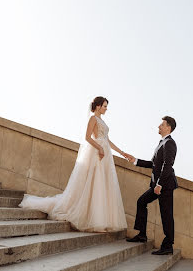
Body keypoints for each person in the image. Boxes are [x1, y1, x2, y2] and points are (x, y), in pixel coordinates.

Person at [19, 96, 128, 232]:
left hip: (105, 156)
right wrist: (99, 148)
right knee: (93, 183)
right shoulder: (93, 119)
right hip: (96, 154)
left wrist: (122, 152)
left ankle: (98, 219)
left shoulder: (102, 121)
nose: (106, 109)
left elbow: (107, 140)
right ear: (98, 106)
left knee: (100, 185)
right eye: (105, 106)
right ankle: (90, 219)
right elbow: (87, 137)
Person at [123, 116, 178, 255]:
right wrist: (135, 160)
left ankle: (168, 246)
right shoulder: (162, 143)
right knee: (141, 202)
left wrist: (159, 184)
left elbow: (167, 165)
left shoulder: (170, 143)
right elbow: (153, 164)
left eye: (162, 124)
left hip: (164, 185)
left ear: (168, 127)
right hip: (157, 185)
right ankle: (142, 235)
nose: (159, 126)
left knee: (166, 214)